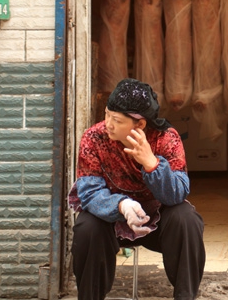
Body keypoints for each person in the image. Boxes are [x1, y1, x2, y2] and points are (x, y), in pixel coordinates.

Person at [69, 79, 205, 300]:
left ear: (140, 125)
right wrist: (121, 205)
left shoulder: (166, 138)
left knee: (186, 219)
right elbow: (89, 191)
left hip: (157, 219)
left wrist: (151, 164)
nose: (108, 124)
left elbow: (179, 192)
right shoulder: (94, 138)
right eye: (107, 115)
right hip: (111, 220)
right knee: (86, 227)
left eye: (117, 120)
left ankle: (186, 297)